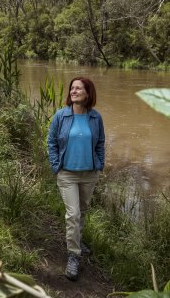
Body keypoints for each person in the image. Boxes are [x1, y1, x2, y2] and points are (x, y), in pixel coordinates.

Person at [47, 76, 105, 281]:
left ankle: (77, 241)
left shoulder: (95, 118)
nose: (73, 91)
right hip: (67, 174)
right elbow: (51, 142)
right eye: (72, 88)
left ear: (88, 93)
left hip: (89, 174)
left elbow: (100, 144)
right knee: (73, 214)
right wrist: (56, 166)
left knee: (82, 212)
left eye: (78, 88)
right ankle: (73, 256)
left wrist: (100, 164)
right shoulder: (61, 116)